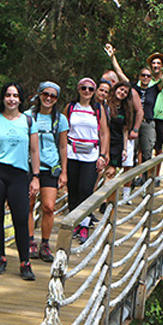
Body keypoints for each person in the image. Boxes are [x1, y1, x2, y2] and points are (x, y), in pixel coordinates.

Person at [0, 83, 41, 280]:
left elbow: (34, 151)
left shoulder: (28, 121)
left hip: (19, 174)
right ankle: (0, 257)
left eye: (15, 96)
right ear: (3, 98)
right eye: (8, 95)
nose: (11, 99)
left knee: (20, 217)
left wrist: (36, 177)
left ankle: (25, 262)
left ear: (20, 99)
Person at [26, 81, 68, 263]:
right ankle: (29, 242)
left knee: (49, 207)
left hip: (50, 167)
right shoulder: (27, 116)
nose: (48, 98)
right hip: (29, 166)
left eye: (53, 96)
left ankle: (45, 243)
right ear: (39, 94)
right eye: (45, 94)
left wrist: (64, 171)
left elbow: (63, 146)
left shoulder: (60, 119)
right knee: (28, 205)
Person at [65, 77, 110, 242]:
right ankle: (73, 223)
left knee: (86, 189)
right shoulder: (70, 107)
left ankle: (84, 224)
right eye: (84, 88)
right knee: (73, 190)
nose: (87, 92)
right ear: (78, 89)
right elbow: (64, 130)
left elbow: (104, 133)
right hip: (72, 153)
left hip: (91, 154)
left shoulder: (98, 109)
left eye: (91, 89)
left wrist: (103, 155)